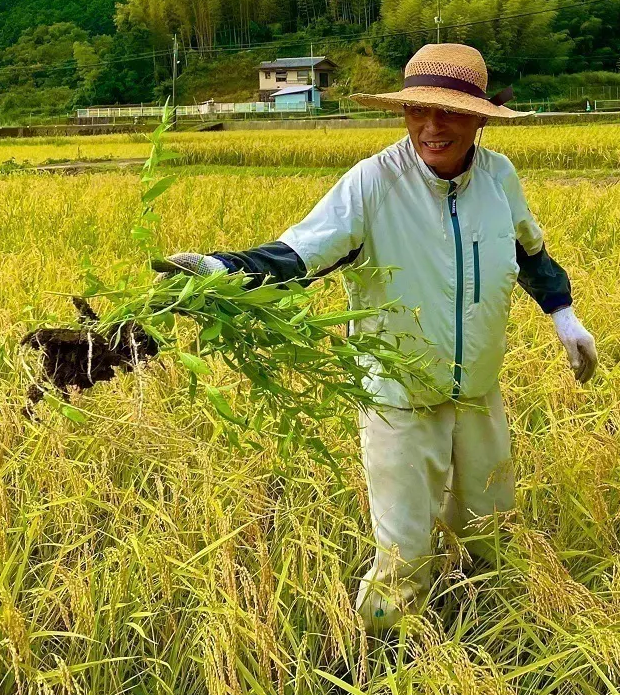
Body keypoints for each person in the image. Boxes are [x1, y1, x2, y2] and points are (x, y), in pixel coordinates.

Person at [163, 43, 598, 631]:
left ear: (479, 119)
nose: (431, 126)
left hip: (478, 391)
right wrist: (219, 274)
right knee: (402, 557)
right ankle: (375, 665)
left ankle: (482, 638)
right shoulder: (373, 184)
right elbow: (299, 254)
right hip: (397, 396)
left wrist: (563, 314)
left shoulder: (498, 177)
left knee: (489, 530)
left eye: (448, 112)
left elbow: (528, 250)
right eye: (418, 109)